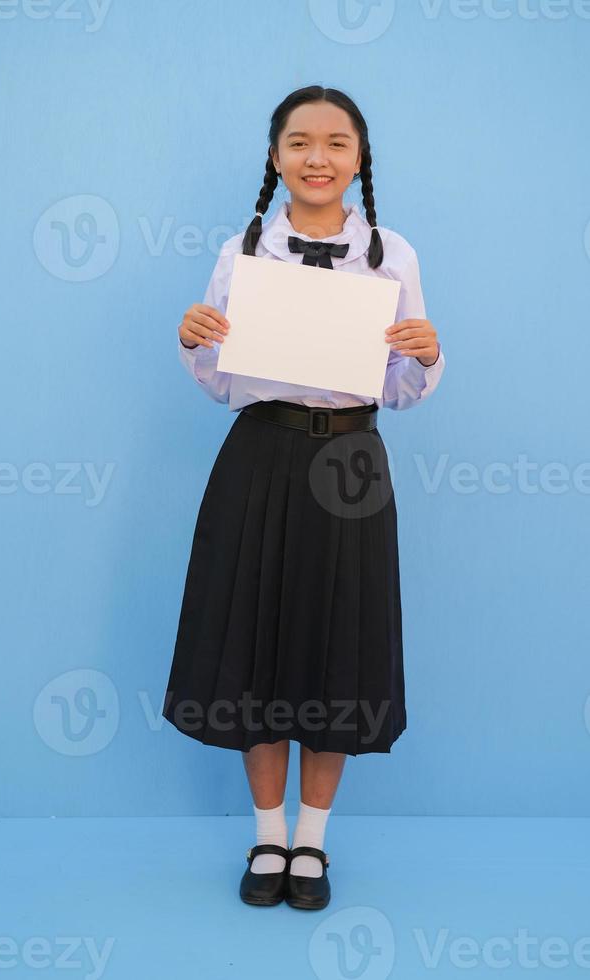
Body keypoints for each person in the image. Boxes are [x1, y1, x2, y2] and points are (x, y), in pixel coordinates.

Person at [163, 85, 445, 911]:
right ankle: (266, 836)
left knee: (338, 637)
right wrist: (193, 342)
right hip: (259, 453)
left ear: (359, 159)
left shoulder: (392, 253)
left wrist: (425, 356)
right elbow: (222, 384)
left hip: (351, 459)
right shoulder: (241, 249)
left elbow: (397, 389)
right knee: (253, 633)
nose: (315, 157)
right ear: (275, 156)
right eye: (297, 142)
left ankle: (312, 845)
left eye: (334, 143)